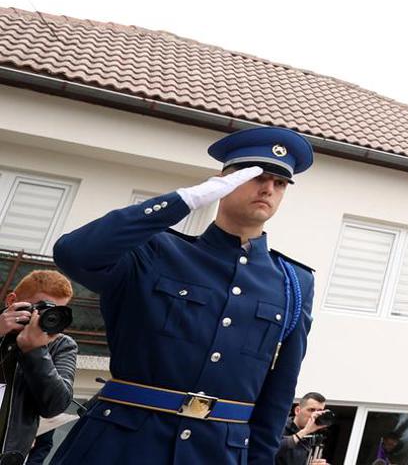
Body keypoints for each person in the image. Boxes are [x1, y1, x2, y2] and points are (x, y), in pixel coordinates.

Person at [49, 126, 317, 465]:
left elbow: (277, 396)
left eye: (280, 183)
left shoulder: (293, 283)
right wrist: (184, 201)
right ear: (223, 181)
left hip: (217, 453)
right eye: (255, 176)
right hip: (119, 445)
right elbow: (74, 253)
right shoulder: (157, 250)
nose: (268, 188)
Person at [0, 269, 78, 465]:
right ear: (12, 301)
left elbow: (55, 405)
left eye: (57, 312)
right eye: (43, 308)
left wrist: (35, 351)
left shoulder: (61, 345)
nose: (47, 317)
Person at [276, 391, 330, 465]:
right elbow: (268, 451)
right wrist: (304, 431)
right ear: (297, 410)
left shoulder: (312, 438)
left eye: (319, 411)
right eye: (311, 410)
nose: (315, 415)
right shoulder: (278, 427)